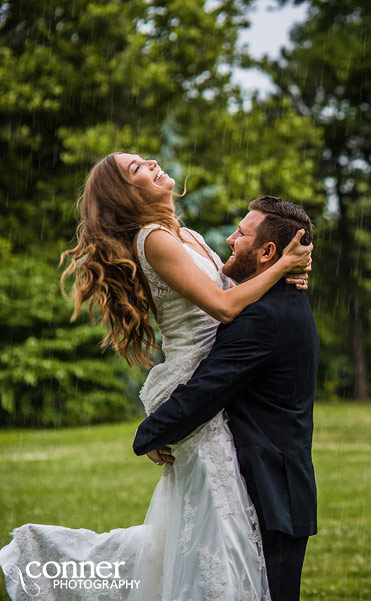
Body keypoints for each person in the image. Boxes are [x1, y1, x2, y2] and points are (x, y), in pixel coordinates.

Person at [0, 153, 313, 601]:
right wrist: (283, 265)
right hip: (197, 381)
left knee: (199, 527)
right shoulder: (154, 240)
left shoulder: (186, 235)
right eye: (136, 169)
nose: (150, 162)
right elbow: (224, 307)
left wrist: (288, 268)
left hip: (219, 376)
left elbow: (236, 283)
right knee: (217, 521)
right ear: (127, 194)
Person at [133, 195, 319, 601]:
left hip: (271, 497)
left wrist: (148, 435)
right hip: (281, 493)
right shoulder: (279, 301)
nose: (230, 241)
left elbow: (205, 392)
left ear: (268, 252)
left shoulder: (261, 318)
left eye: (242, 234)